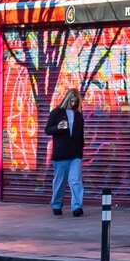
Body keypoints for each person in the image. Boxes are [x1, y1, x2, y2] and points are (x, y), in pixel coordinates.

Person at [44, 87, 85, 216]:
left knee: (76, 180)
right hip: (61, 153)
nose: (73, 103)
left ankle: (77, 207)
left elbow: (80, 134)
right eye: (72, 101)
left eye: (76, 101)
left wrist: (81, 149)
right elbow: (48, 130)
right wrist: (57, 127)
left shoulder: (78, 115)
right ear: (67, 99)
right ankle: (56, 204)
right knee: (60, 182)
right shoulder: (56, 113)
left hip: (75, 153)